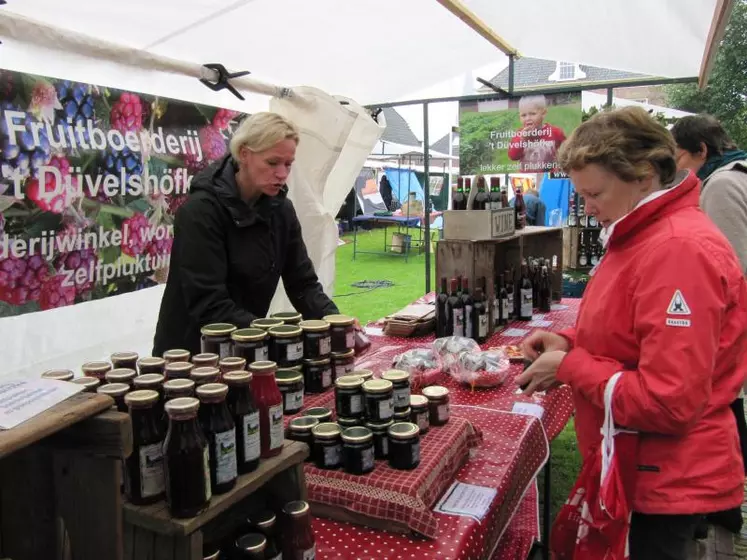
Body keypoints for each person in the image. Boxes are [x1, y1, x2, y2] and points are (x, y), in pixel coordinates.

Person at [515, 107, 747, 560]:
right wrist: (571, 342)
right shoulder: (642, 233)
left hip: (662, 476)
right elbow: (634, 337)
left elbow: (668, 401)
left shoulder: (677, 249)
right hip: (637, 464)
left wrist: (572, 365)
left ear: (643, 176)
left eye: (595, 193)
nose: (588, 207)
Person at [153, 112, 340, 356]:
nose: (282, 174)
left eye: (288, 164)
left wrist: (336, 321)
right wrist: (270, 335)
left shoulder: (281, 210)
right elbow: (210, 304)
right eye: (273, 163)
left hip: (245, 345)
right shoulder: (200, 212)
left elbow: (302, 283)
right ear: (244, 154)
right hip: (190, 355)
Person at [671, 114, 747, 534]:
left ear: (701, 150)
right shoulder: (740, 170)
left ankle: (715, 505)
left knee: (719, 403)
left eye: (679, 154)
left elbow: (727, 267)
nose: (676, 164)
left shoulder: (719, 184)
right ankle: (724, 504)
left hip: (728, 322)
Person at [507, 94, 567, 173]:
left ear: (543, 113)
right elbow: (513, 156)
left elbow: (566, 152)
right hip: (527, 180)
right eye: (523, 115)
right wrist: (523, 140)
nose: (528, 118)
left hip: (549, 178)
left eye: (532, 114)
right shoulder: (519, 134)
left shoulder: (555, 132)